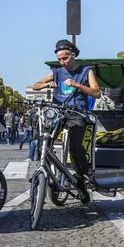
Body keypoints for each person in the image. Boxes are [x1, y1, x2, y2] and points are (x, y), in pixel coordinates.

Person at [32, 39, 101, 203]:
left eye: (65, 58)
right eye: (59, 59)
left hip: (77, 113)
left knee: (75, 146)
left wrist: (77, 85)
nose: (62, 62)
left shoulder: (86, 71)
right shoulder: (56, 71)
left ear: (73, 55)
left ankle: (81, 177)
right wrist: (45, 85)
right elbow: (35, 85)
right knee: (42, 139)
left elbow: (96, 93)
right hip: (58, 113)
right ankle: (47, 169)